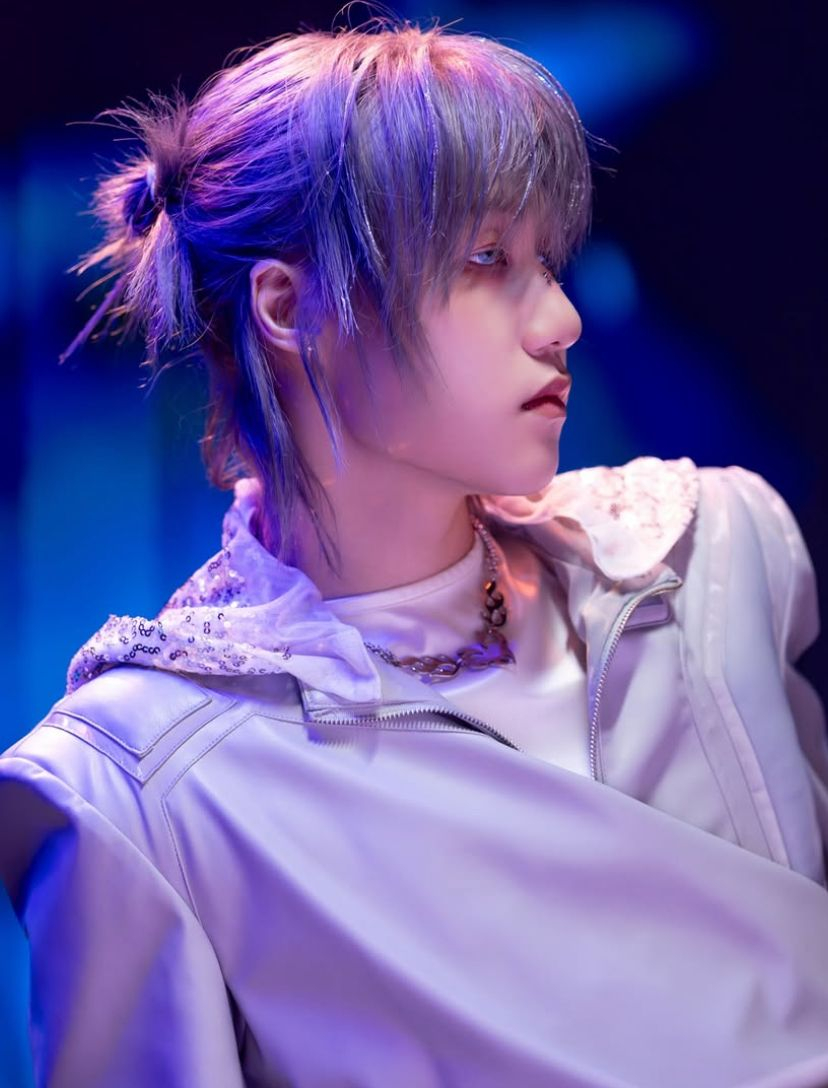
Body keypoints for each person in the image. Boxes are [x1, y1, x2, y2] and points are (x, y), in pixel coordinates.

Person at [2, 16, 828, 1088]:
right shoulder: (138, 788)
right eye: (488, 259)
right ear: (289, 306)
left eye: (547, 261)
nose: (562, 319)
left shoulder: (711, 554)